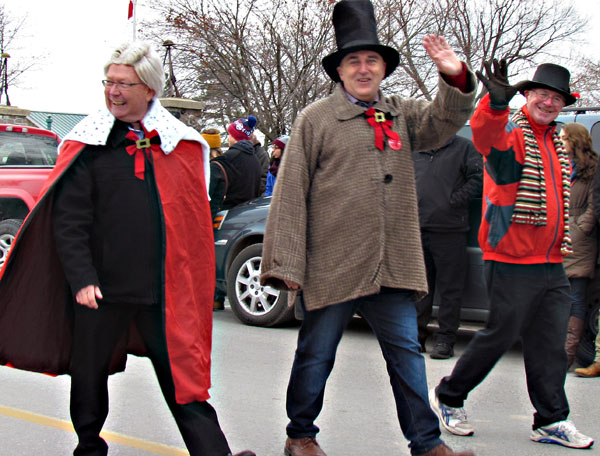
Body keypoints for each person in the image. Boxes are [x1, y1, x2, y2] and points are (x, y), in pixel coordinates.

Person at [0, 41, 254, 456]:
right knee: (88, 374)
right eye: (109, 82)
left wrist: (190, 284)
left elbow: (191, 224)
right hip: (102, 290)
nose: (113, 91)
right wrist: (82, 278)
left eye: (124, 84)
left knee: (182, 380)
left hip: (161, 289)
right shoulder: (90, 144)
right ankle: (88, 448)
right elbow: (69, 220)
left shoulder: (180, 145)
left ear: (149, 89)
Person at [260, 1, 477, 455]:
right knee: (315, 356)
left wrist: (454, 78)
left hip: (391, 265)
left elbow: (444, 122)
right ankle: (300, 435)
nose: (363, 68)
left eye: (371, 60)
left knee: (406, 359)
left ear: (383, 69)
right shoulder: (315, 119)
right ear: (340, 71)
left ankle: (427, 443)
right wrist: (286, 263)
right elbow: (290, 192)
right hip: (332, 265)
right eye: (354, 61)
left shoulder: (403, 113)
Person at [429, 59, 594, 450]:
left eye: (556, 98)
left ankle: (551, 420)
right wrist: (495, 104)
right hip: (512, 257)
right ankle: (450, 396)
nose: (549, 102)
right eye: (542, 94)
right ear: (527, 95)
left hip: (553, 262)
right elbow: (486, 138)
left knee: (551, 346)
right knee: (498, 336)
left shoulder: (557, 143)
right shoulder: (513, 134)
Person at [414, 135, 483, 358]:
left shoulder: (464, 148)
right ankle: (416, 338)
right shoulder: (416, 148)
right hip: (417, 229)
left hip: (451, 231)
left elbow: (478, 180)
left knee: (450, 290)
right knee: (419, 290)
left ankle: (445, 341)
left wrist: (453, 202)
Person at [209, 115, 263, 310]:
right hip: (246, 213)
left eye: (230, 134)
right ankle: (218, 296)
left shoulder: (228, 159)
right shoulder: (255, 160)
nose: (228, 137)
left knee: (214, 256)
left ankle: (215, 296)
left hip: (226, 214)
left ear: (235, 136)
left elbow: (215, 188)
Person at [559, 123, 598, 368]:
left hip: (580, 241)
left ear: (576, 140)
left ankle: (566, 355)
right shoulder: (561, 164)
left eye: (564, 138)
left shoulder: (592, 168)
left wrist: (579, 228)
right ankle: (552, 350)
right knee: (556, 295)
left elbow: (595, 206)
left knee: (576, 297)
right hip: (559, 236)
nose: (560, 142)